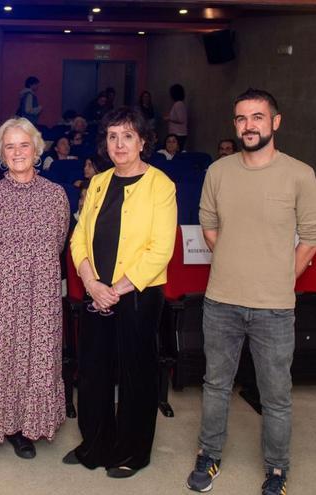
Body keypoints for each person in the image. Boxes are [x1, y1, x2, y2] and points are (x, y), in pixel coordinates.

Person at [185, 88, 316, 495]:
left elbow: (310, 239)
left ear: (275, 122)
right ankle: (209, 456)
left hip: (275, 307)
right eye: (241, 118)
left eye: (258, 117)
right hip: (220, 301)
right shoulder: (218, 172)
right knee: (216, 385)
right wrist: (231, 259)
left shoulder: (300, 174)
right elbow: (208, 226)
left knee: (276, 395)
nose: (249, 125)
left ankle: (277, 470)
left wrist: (280, 278)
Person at [66, 106, 176, 478]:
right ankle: (94, 444)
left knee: (135, 372)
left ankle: (132, 450)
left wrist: (116, 289)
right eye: (112, 136)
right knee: (93, 371)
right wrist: (92, 284)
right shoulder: (98, 183)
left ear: (143, 141)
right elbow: (78, 237)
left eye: (128, 135)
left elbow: (161, 249)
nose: (119, 144)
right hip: (96, 291)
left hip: (139, 295)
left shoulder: (161, 184)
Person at [0, 118, 69, 487]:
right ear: (1, 154)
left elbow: (58, 241)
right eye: (10, 146)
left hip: (42, 294)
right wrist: (10, 273)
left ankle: (22, 427)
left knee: (35, 358)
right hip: (3, 294)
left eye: (25, 145)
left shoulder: (56, 195)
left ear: (37, 150)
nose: (18, 152)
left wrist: (31, 270)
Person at [164, 83, 188, 150]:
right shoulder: (180, 104)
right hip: (179, 133)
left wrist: (169, 118)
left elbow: (181, 119)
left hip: (178, 134)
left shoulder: (178, 104)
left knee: (176, 152)